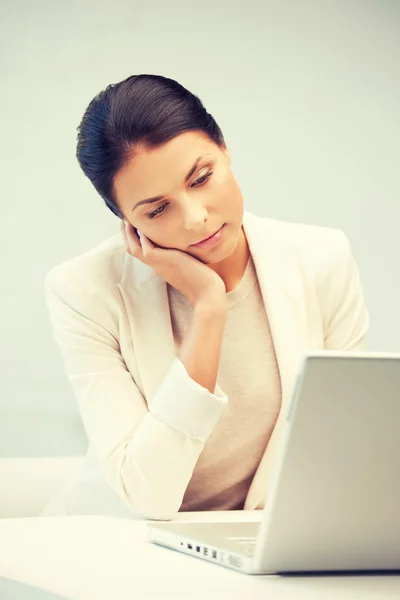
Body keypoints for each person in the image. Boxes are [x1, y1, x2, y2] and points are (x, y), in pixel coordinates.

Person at [41, 74, 369, 519]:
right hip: (120, 544)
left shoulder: (320, 258)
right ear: (126, 222)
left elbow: (346, 445)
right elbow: (149, 495)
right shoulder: (84, 291)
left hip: (262, 542)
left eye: (201, 178)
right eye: (158, 210)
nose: (196, 218)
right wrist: (210, 307)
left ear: (225, 150)